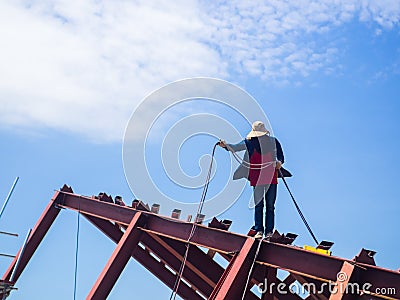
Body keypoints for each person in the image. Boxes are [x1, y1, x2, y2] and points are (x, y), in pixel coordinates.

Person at [218, 121, 284, 239]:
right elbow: (236, 147)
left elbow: (281, 156)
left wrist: (279, 163)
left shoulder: (273, 141)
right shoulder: (249, 142)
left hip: (271, 177)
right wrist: (225, 145)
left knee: (270, 205)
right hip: (257, 177)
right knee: (259, 205)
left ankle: (269, 231)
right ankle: (259, 230)